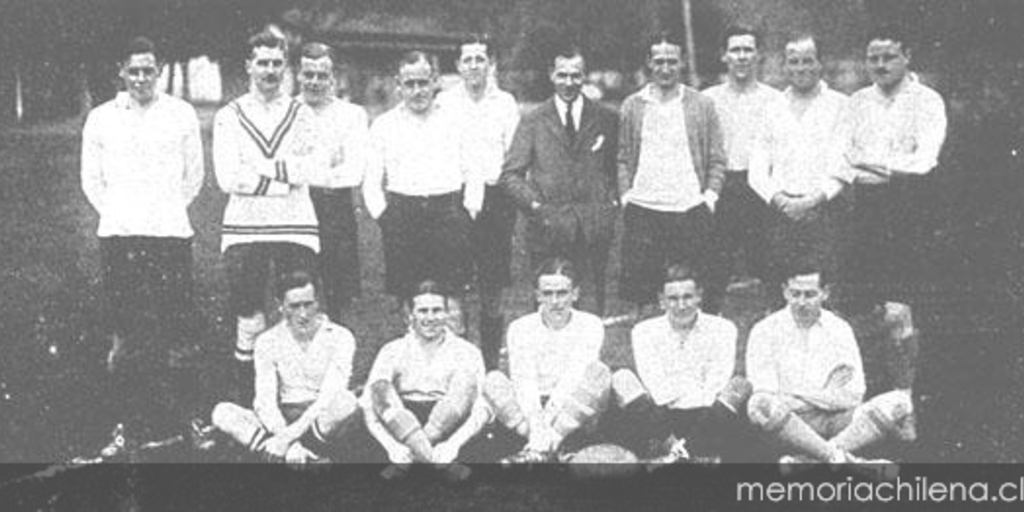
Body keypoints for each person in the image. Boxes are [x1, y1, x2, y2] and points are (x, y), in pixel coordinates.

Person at [81, 36, 204, 438]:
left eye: (147, 70)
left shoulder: (181, 114)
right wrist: (123, 214)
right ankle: (125, 420)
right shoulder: (101, 117)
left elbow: (194, 178)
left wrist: (162, 212)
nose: (140, 78)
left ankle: (181, 419)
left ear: (159, 70)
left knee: (176, 328)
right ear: (121, 71)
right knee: (125, 331)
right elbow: (92, 182)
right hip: (120, 237)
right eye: (132, 70)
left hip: (169, 235)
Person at [214, 31, 334, 402]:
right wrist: (285, 178)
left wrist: (262, 170)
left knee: (296, 310)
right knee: (248, 315)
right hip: (244, 228)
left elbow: (317, 166)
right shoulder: (229, 116)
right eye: (262, 62)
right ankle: (248, 397)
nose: (270, 70)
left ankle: (293, 396)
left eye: (277, 63)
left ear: (286, 67)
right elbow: (228, 177)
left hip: (295, 226)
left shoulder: (302, 112)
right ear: (248, 65)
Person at [841, 24, 946, 435]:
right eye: (873, 58)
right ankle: (865, 404)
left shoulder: (928, 101)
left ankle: (905, 404)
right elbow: (845, 155)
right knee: (860, 314)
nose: (880, 65)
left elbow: (925, 159)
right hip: (862, 214)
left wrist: (881, 167)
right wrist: (880, 165)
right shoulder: (857, 102)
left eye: (888, 57)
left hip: (909, 212)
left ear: (907, 57)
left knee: (900, 315)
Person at [746, 265, 914, 465]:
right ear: (784, 292)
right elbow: (767, 394)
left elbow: (854, 394)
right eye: (794, 294)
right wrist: (828, 391)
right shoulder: (764, 330)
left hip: (839, 420)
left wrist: (797, 394)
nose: (800, 302)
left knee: (899, 401)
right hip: (790, 423)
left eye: (809, 295)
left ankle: (812, 460)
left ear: (825, 293)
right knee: (760, 404)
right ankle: (843, 459)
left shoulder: (839, 329)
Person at [501, 45, 619, 315]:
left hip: (592, 231)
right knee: (548, 310)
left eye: (575, 75)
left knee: (590, 312)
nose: (569, 82)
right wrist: (535, 207)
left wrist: (609, 206)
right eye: (562, 75)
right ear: (551, 75)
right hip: (548, 230)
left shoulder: (605, 118)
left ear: (584, 76)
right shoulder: (534, 120)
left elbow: (617, 168)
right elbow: (510, 175)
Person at [363, 51, 479, 327]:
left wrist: (469, 211)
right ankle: (413, 363)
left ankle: (457, 364)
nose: (417, 91)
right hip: (403, 215)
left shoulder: (456, 121)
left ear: (435, 81)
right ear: (398, 84)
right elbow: (371, 182)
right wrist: (385, 218)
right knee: (409, 300)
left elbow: (473, 172)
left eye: (423, 83)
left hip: (448, 213)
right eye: (410, 84)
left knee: (452, 300)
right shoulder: (383, 126)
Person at [617, 34, 726, 314]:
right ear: (649, 63)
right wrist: (627, 195)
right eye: (659, 61)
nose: (665, 68)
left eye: (672, 62)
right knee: (645, 298)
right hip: (644, 209)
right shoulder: (633, 105)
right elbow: (623, 157)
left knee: (693, 291)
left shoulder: (701, 104)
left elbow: (716, 157)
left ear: (683, 63)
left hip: (689, 209)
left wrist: (709, 196)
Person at [211, 270, 359, 464]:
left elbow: (329, 396)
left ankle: (289, 453)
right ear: (280, 306)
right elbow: (265, 402)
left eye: (309, 304)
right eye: (294, 306)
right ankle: (303, 457)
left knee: (346, 401)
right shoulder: (267, 340)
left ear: (318, 302)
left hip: (321, 420)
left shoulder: (340, 336)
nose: (303, 314)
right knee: (222, 412)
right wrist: (289, 443)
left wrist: (286, 439)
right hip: (282, 418)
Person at [437, 36, 521, 371]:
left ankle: (489, 365)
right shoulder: (443, 102)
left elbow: (513, 156)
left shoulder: (505, 103)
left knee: (492, 285)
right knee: (454, 284)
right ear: (457, 66)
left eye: (480, 59)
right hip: (453, 198)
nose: (474, 66)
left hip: (495, 200)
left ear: (491, 65)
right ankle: (457, 365)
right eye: (467, 59)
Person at [609, 264, 751, 462]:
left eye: (688, 297)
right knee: (621, 378)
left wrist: (689, 393)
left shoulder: (723, 328)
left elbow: (716, 383)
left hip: (707, 416)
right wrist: (690, 388)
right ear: (661, 300)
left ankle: (679, 454)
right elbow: (657, 387)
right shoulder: (644, 331)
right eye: (673, 299)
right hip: (662, 417)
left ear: (699, 296)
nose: (681, 305)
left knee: (739, 385)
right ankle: (685, 452)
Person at [747, 35, 850, 305]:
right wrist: (782, 201)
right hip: (780, 215)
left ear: (820, 63)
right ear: (784, 66)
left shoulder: (840, 105)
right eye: (794, 62)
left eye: (808, 60)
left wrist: (813, 200)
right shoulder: (771, 108)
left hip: (825, 213)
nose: (801, 68)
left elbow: (843, 165)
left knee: (823, 295)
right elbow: (757, 168)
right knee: (780, 293)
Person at [481, 258, 611, 463]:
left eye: (562, 293)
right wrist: (536, 425)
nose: (555, 301)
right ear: (537, 295)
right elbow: (524, 382)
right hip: (530, 415)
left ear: (575, 294)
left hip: (573, 408)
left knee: (599, 373)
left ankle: (542, 448)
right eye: (548, 294)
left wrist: (549, 429)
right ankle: (547, 449)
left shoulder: (591, 324)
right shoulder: (520, 327)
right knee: (492, 379)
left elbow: (574, 378)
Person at [360, 279, 487, 466]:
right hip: (402, 427)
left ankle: (422, 457)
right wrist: (392, 447)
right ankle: (428, 460)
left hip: (449, 426)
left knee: (466, 382)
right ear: (411, 315)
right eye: (423, 311)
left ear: (446, 313)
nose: (430, 318)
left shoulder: (467, 351)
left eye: (436, 310)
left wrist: (454, 445)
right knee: (380, 388)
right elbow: (369, 406)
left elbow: (481, 409)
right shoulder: (392, 350)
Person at [703, 26, 784, 313]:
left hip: (761, 189)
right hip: (723, 187)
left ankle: (780, 325)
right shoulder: (708, 99)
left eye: (748, 50)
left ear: (758, 55)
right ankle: (706, 328)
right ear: (724, 56)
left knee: (771, 267)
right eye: (735, 50)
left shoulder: (776, 100)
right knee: (713, 270)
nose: (741, 56)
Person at [296, 42, 369, 322]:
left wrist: (305, 171)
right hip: (295, 206)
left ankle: (338, 355)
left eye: (322, 75)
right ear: (299, 75)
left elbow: (353, 170)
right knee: (296, 287)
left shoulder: (352, 115)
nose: (314, 82)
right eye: (308, 74)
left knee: (339, 294)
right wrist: (326, 168)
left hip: (335, 208)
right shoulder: (286, 112)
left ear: (333, 78)